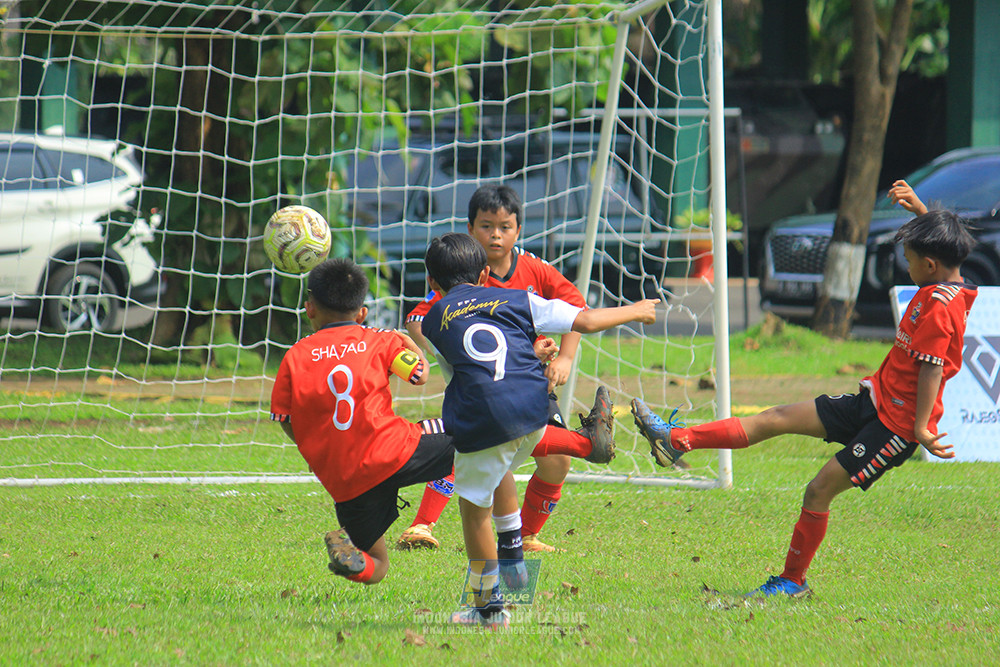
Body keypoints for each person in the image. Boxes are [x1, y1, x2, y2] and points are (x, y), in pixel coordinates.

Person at [631, 209, 977, 598]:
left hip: (894, 427)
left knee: (818, 491)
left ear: (930, 264)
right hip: (873, 402)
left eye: (910, 261)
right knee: (775, 417)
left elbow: (932, 369)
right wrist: (920, 211)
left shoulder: (941, 305)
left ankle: (793, 581)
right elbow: (939, 251)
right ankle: (676, 440)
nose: (907, 267)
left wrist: (920, 429)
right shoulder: (942, 285)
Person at [269, 257, 614, 587]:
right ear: (362, 312)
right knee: (484, 433)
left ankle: (356, 562)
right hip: (395, 450)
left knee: (378, 565)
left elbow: (287, 421)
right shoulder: (378, 339)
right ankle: (515, 544)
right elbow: (418, 374)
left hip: (345, 480)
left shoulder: (293, 357)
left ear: (309, 309)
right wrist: (405, 344)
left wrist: (320, 451)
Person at [422, 232, 658, 628]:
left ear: (431, 283)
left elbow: (469, 364)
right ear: (484, 274)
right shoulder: (516, 297)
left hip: (485, 417)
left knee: (473, 508)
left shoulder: (433, 319)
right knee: (502, 466)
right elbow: (584, 318)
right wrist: (635, 310)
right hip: (537, 409)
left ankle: (488, 609)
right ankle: (514, 564)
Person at [398, 183, 604, 553]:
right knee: (470, 449)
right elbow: (418, 317)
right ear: (469, 229)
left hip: (529, 385)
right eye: (485, 226)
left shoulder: (534, 269)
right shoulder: (458, 272)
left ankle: (524, 538)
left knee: (555, 462)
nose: (495, 235)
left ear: (518, 230)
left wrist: (564, 358)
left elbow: (576, 308)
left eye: (504, 227)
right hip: (483, 389)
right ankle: (422, 525)